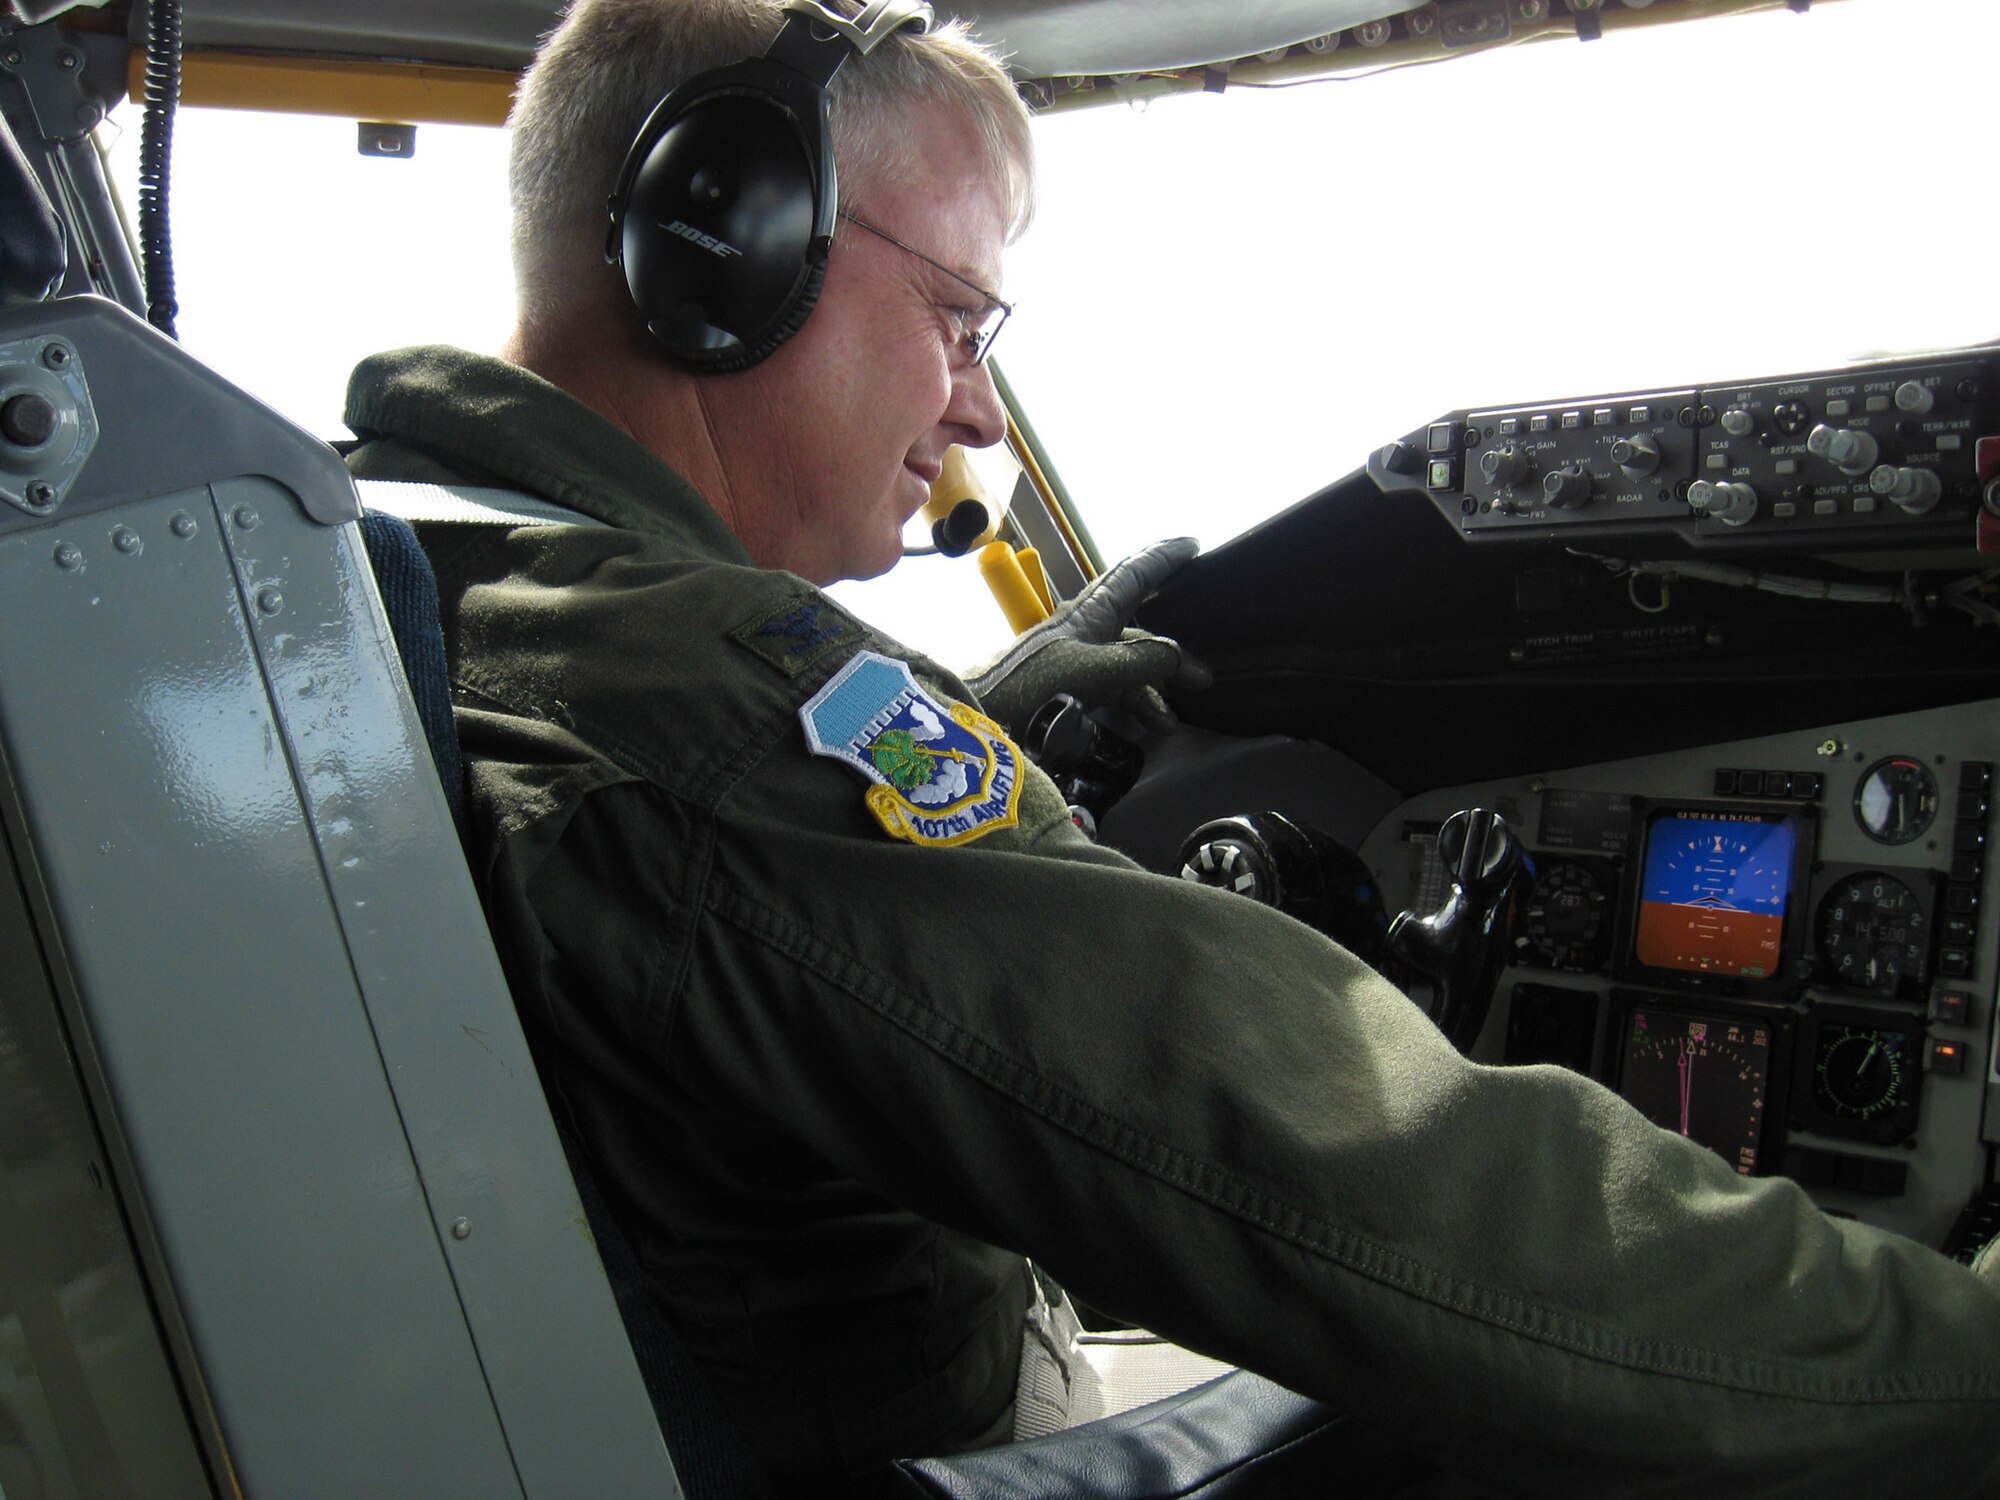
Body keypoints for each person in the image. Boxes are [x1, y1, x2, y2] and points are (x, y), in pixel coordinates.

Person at [344, 0, 2000, 1494]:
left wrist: (964, 740)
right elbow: (1337, 1164)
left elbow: (711, 890)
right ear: (728, 244)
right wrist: (1944, 1362)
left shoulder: (414, 568)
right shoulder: (704, 697)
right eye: (961, 318)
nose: (981, 414)